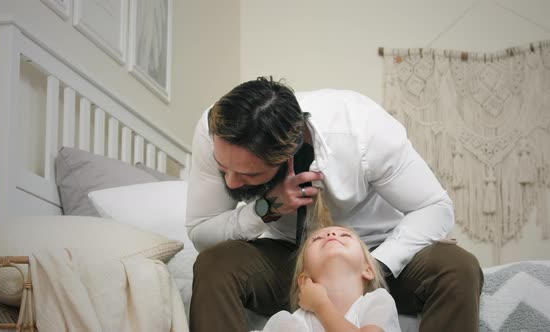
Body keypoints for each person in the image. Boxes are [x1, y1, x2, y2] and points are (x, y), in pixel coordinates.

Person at [186, 77, 483, 332]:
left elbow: (435, 207)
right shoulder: (216, 130)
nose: (233, 183)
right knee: (216, 265)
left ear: (290, 157)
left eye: (249, 174)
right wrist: (267, 208)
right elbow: (202, 234)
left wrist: (370, 267)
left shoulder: (366, 131)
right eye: (223, 169)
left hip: (375, 252)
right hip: (292, 261)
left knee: (457, 268)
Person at [256, 225, 401, 332]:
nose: (331, 234)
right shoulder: (288, 323)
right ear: (303, 280)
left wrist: (321, 305)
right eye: (316, 239)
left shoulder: (378, 302)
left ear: (368, 270)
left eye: (345, 235)